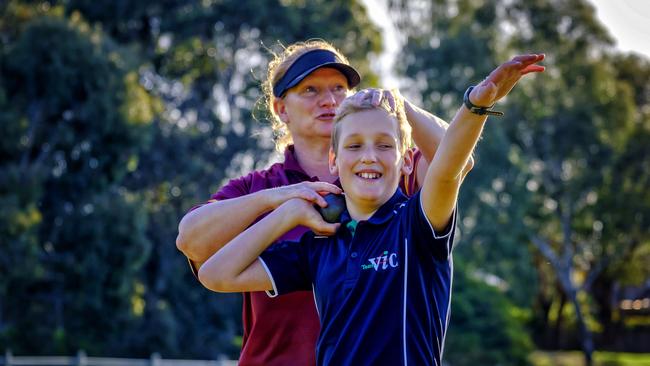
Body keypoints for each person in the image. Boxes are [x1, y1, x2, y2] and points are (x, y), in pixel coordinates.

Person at [195, 54, 545, 365]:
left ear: (406, 162)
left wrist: (474, 107)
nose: (368, 157)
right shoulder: (319, 245)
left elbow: (450, 167)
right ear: (335, 160)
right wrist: (286, 213)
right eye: (354, 146)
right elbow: (214, 274)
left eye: (384, 146)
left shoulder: (415, 224)